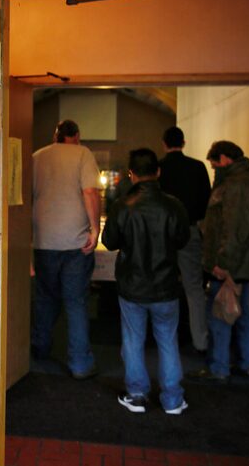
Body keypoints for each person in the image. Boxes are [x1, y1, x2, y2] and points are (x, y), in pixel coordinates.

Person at [102, 148, 190, 414]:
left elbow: (109, 242)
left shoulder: (122, 206)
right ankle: (173, 400)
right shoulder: (173, 205)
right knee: (167, 341)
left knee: (133, 341)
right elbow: (183, 240)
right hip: (166, 288)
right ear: (158, 172)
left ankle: (138, 395)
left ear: (131, 174)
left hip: (132, 287)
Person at [188, 140, 249, 382]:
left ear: (226, 159)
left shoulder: (235, 186)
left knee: (220, 313)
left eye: (215, 163)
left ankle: (218, 367)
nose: (214, 168)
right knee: (244, 313)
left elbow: (234, 229)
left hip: (232, 265)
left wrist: (222, 263)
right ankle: (247, 363)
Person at [31, 119, 101, 379]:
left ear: (55, 135)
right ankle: (80, 364)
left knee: (45, 299)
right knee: (76, 302)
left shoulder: (37, 157)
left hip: (43, 241)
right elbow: (91, 192)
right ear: (77, 136)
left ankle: (39, 351)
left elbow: (25, 198)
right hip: (75, 243)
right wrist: (95, 229)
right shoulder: (83, 154)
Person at [158, 126, 212, 352]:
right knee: (194, 288)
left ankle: (164, 339)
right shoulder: (197, 167)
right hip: (189, 231)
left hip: (162, 234)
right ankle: (200, 341)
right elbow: (205, 203)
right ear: (184, 142)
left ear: (164, 143)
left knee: (162, 285)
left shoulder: (159, 168)